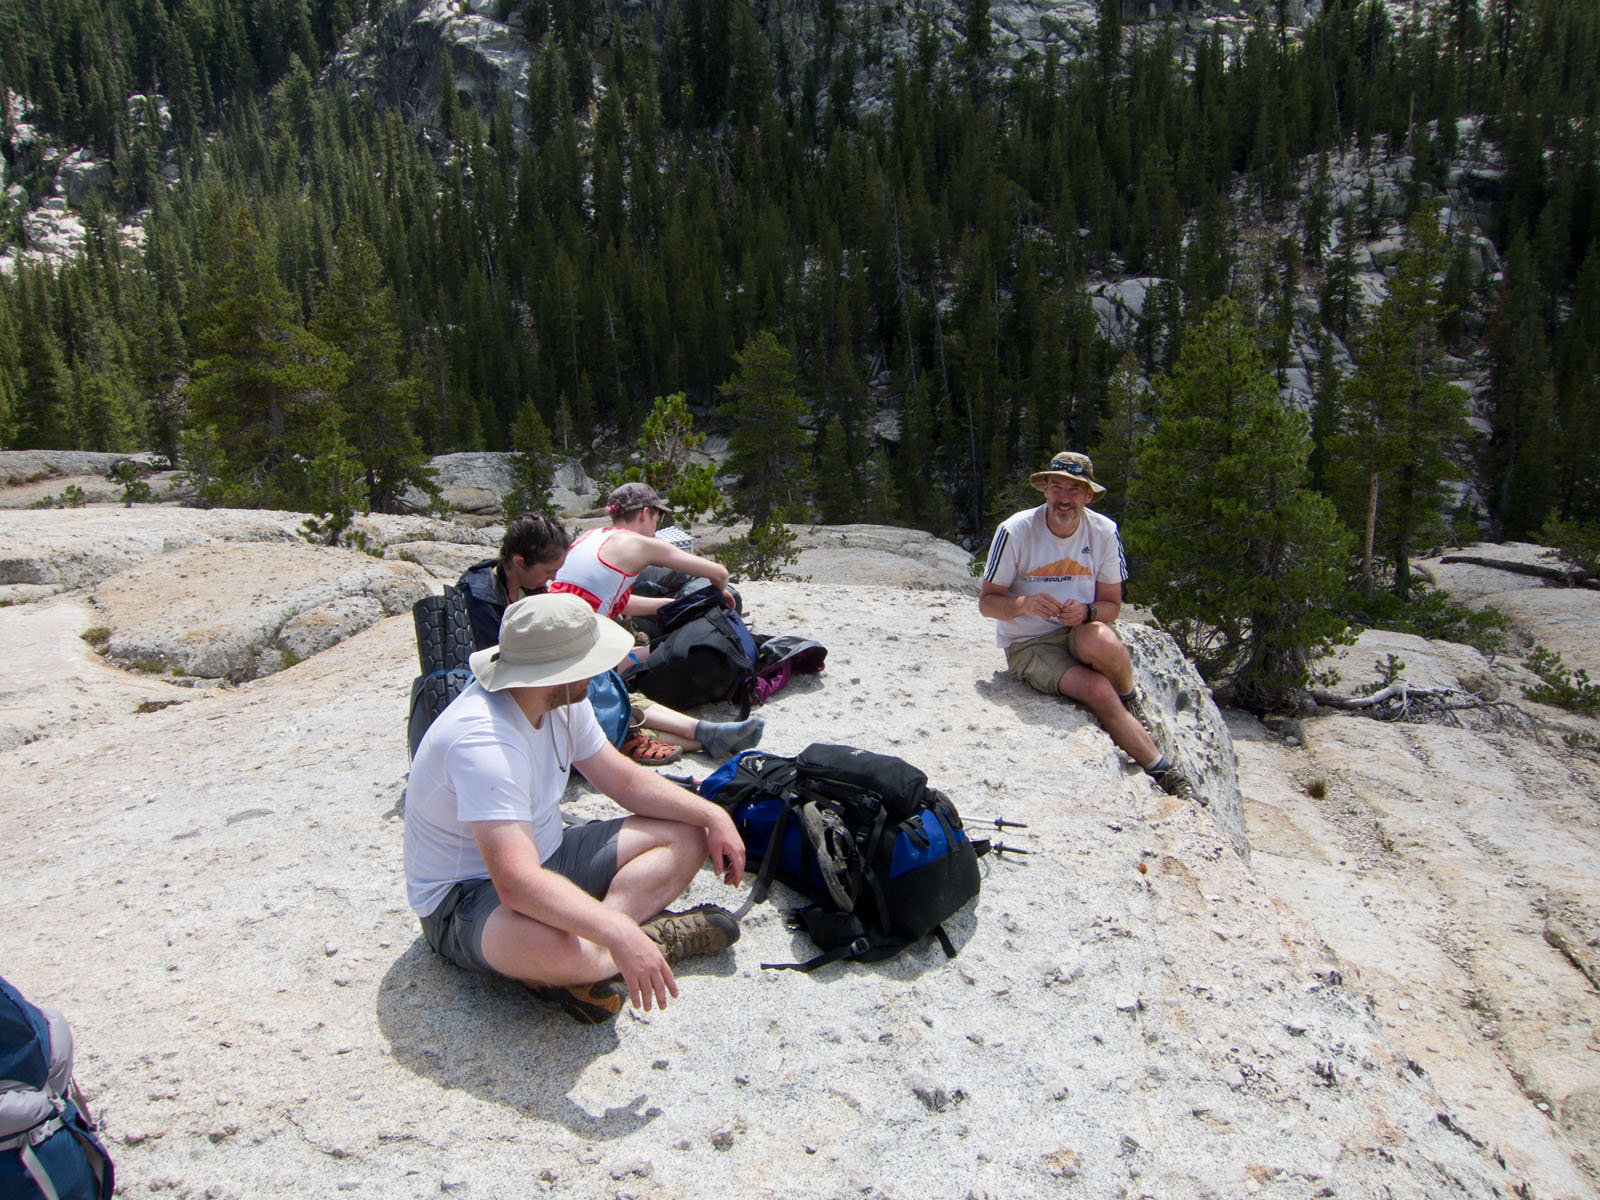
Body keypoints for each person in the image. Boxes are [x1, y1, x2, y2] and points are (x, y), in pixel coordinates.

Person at [404, 593, 748, 1024]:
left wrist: (712, 815)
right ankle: (640, 942)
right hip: (465, 897)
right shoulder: (483, 741)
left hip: (550, 852)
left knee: (688, 833)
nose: (601, 669)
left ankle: (599, 954)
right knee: (556, 950)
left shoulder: (562, 701)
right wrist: (616, 930)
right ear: (556, 671)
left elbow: (623, 781)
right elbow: (515, 883)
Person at [978, 451, 1198, 802]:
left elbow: (1112, 606)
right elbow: (987, 603)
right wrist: (1023, 604)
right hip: (1030, 642)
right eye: (1057, 487)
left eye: (1074, 490)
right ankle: (1165, 772)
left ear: (1088, 496)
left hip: (1079, 627)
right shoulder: (1015, 531)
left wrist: (1087, 611)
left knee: (1105, 645)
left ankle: (1129, 701)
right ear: (1045, 489)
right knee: (1097, 689)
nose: (1064, 498)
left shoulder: (1104, 531)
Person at [459, 513, 764, 764]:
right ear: (518, 560)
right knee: (594, 701)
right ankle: (697, 739)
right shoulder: (480, 599)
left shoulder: (528, 584)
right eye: (549, 571)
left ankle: (703, 730)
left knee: (605, 686)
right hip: (514, 694)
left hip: (545, 674)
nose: (553, 579)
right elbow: (497, 671)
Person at [550, 482, 737, 620]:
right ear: (645, 513)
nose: (656, 526)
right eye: (657, 518)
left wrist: (674, 604)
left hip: (553, 619)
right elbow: (719, 573)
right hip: (580, 635)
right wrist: (715, 593)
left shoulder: (588, 535)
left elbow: (612, 601)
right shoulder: (641, 544)